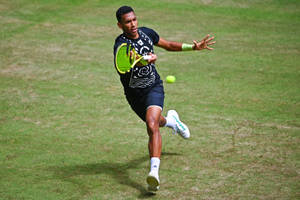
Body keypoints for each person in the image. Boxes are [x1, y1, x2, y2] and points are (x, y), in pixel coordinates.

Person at [113, 6, 215, 192]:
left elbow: (168, 45)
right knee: (157, 122)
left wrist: (193, 47)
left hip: (153, 87)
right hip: (134, 95)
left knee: (151, 125)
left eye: (134, 19)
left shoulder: (147, 33)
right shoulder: (121, 45)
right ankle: (171, 121)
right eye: (128, 22)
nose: (133, 24)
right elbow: (125, 63)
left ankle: (154, 173)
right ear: (120, 25)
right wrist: (144, 59)